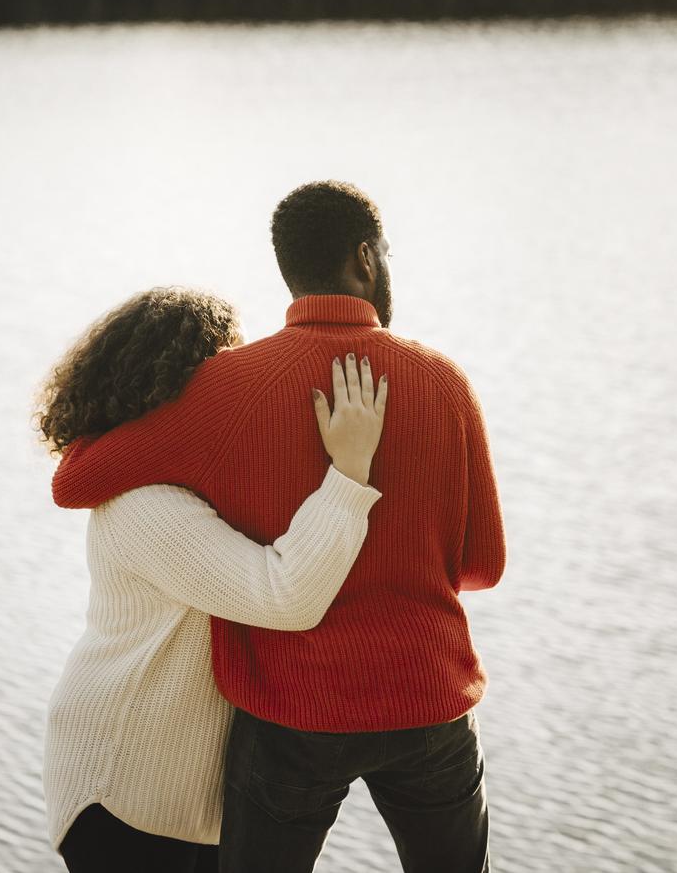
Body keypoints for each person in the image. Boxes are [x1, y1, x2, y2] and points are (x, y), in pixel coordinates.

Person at [52, 182, 505, 873]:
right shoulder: (443, 380)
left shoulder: (224, 388)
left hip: (295, 711)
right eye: (386, 252)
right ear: (365, 258)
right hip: (428, 697)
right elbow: (482, 566)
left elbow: (76, 480)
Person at [39, 284, 392, 871]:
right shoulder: (147, 505)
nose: (240, 390)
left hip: (176, 797)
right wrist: (350, 473)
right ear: (182, 386)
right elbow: (285, 596)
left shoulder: (186, 486)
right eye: (227, 372)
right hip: (122, 789)